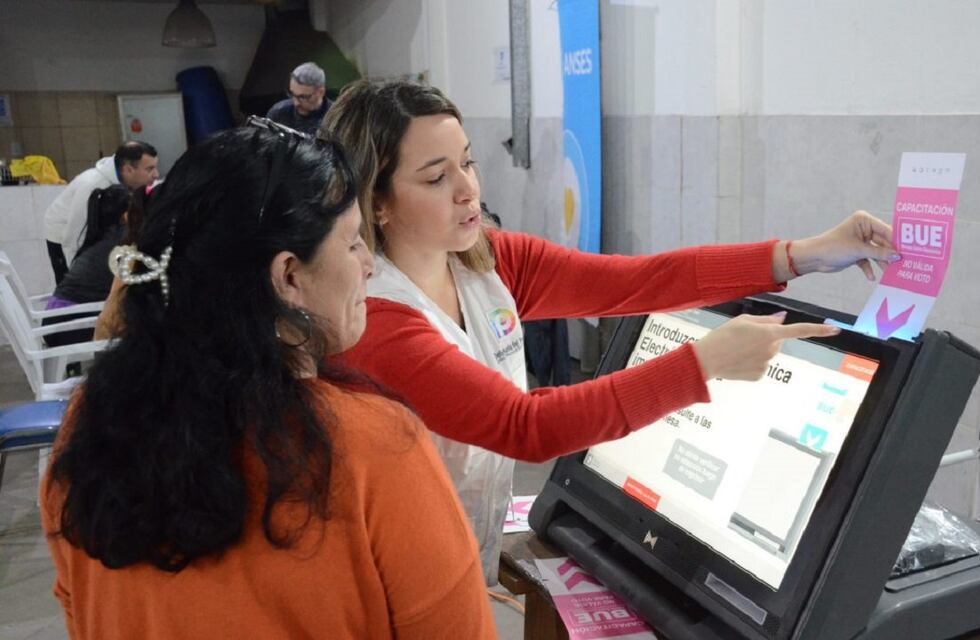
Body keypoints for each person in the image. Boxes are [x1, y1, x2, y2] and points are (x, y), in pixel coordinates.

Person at [320, 79, 901, 584]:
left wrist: (803, 254)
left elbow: (638, 282)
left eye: (467, 163)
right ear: (377, 203)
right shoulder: (375, 317)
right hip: (382, 582)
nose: (468, 189)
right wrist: (702, 365)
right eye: (435, 178)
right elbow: (527, 427)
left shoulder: (485, 261)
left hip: (458, 562)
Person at [41, 127, 496, 639]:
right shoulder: (376, 450)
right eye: (352, 242)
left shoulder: (90, 425)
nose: (369, 264)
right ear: (289, 277)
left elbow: (81, 610)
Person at [43, 140, 159, 279]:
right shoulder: (92, 185)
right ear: (129, 169)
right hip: (63, 236)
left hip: (95, 236)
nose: (156, 174)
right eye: (149, 169)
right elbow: (73, 236)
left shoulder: (130, 182)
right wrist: (77, 276)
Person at [42, 185, 130, 347]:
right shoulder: (118, 244)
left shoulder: (101, 239)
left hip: (55, 322)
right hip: (66, 327)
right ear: (125, 215)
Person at [265, 61, 332, 136]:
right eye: (292, 94)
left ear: (321, 92)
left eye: (303, 97)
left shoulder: (336, 119)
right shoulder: (278, 113)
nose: (296, 103)